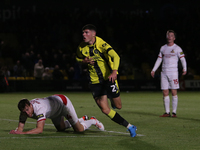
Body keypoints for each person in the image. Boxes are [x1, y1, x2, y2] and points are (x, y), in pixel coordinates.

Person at [76, 24, 137, 137]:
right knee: (104, 109)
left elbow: (116, 56)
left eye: (87, 32)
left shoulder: (101, 44)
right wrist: (83, 61)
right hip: (94, 82)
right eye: (83, 32)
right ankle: (130, 126)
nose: (84, 35)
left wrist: (114, 71)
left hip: (108, 78)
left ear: (94, 34)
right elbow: (77, 58)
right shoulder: (81, 47)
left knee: (118, 106)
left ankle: (112, 99)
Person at [9, 94, 104, 134]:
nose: (27, 113)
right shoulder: (24, 111)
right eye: (24, 112)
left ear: (30, 105)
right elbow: (20, 127)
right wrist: (18, 131)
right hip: (54, 110)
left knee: (79, 130)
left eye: (27, 109)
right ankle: (82, 119)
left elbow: (40, 129)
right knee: (61, 129)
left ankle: (92, 121)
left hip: (63, 104)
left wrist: (24, 133)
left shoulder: (39, 109)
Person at [151, 30, 187, 117]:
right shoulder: (163, 48)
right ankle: (167, 112)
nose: (169, 37)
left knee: (174, 92)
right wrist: (153, 70)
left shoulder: (177, 48)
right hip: (164, 73)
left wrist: (185, 68)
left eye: (171, 35)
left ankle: (174, 112)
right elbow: (159, 59)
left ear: (174, 38)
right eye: (168, 35)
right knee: (165, 92)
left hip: (173, 73)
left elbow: (182, 59)